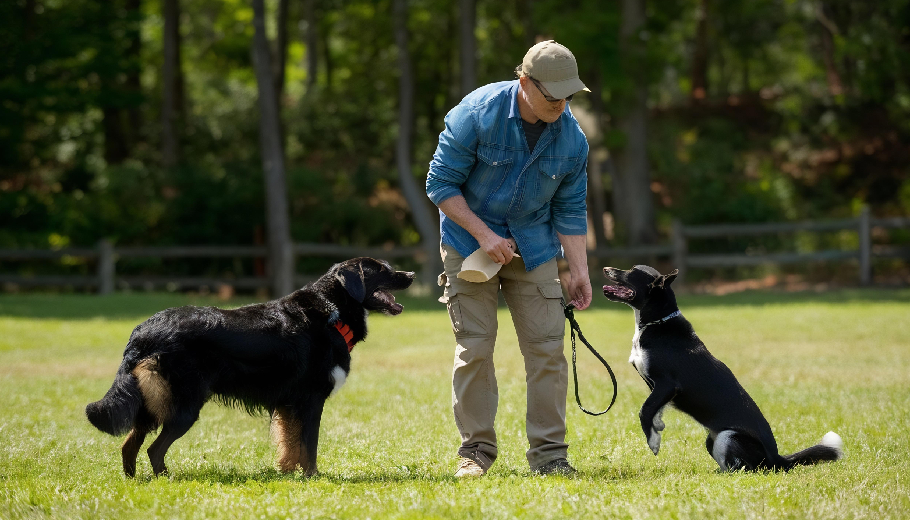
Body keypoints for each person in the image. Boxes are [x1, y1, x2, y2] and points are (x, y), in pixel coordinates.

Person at [425, 40, 593, 477]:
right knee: (475, 348)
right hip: (468, 245)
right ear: (525, 83)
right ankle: (475, 452)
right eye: (552, 94)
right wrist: (483, 235)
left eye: (568, 95)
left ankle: (550, 457)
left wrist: (578, 271)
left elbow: (571, 210)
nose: (561, 104)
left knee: (548, 350)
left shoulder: (573, 140)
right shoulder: (477, 113)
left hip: (534, 246)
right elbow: (440, 183)